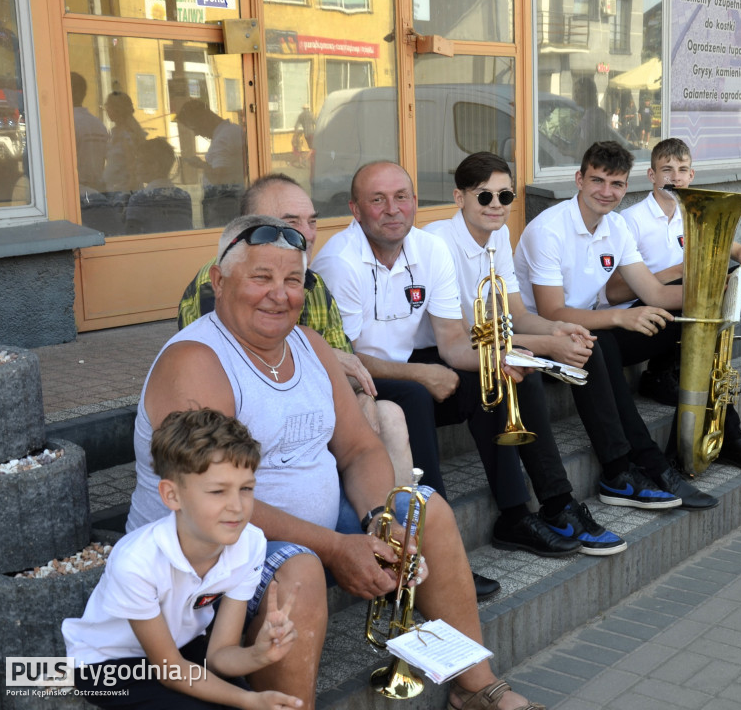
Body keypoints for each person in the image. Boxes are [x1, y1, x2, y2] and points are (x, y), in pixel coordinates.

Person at [127, 214, 546, 710]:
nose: (279, 294)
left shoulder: (310, 346)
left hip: (316, 531)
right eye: (260, 278)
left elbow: (360, 448)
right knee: (300, 570)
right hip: (211, 554)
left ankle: (473, 687)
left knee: (422, 509)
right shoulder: (198, 359)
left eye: (292, 280)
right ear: (219, 281)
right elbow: (216, 502)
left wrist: (376, 523)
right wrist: (334, 547)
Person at [311, 161, 586, 559]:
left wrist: (505, 357)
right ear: (355, 210)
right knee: (414, 395)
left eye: (401, 198)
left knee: (499, 377)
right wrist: (422, 373)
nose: (392, 209)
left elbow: (453, 343)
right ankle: (439, 546)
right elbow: (345, 360)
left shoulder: (428, 248)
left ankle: (515, 514)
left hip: (408, 361)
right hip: (354, 379)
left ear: (415, 203)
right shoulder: (340, 262)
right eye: (378, 200)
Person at [514, 141, 741, 485]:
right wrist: (619, 317)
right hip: (549, 338)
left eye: (617, 184)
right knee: (603, 346)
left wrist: (724, 292)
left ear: (627, 186)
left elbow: (653, 294)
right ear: (579, 179)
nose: (607, 192)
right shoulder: (548, 230)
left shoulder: (615, 226)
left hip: (593, 327)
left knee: (726, 299)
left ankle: (711, 436)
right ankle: (647, 464)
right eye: (598, 181)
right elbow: (552, 313)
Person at [422, 151, 627, 555]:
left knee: (583, 344)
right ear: (459, 197)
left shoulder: (498, 234)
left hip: (480, 344)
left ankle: (613, 474)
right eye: (484, 197)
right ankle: (555, 503)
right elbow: (459, 335)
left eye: (505, 196)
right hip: (440, 351)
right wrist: (543, 345)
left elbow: (514, 313)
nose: (496, 205)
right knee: (518, 374)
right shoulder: (436, 242)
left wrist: (558, 328)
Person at [177, 173, 413, 500]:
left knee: (390, 415)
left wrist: (361, 396)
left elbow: (351, 369)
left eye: (312, 221)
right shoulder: (217, 286)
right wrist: (329, 363)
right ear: (248, 227)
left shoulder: (313, 285)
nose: (307, 234)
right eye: (290, 222)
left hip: (311, 417)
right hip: (250, 441)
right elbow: (241, 379)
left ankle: (394, 522)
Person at [64, 408, 303, 709]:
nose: (237, 507)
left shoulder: (250, 543)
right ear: (172, 495)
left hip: (182, 649)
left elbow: (219, 654)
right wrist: (248, 699)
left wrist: (259, 654)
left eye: (246, 489)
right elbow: (169, 671)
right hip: (109, 665)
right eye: (217, 491)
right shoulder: (136, 561)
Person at [605, 138, 741, 406]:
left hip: (673, 312)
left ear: (691, 176)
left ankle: (680, 365)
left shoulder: (693, 214)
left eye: (682, 170)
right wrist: (673, 272)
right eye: (667, 170)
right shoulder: (630, 220)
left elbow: (735, 249)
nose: (674, 178)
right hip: (634, 320)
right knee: (693, 286)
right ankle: (661, 373)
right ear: (652, 175)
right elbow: (613, 293)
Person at [174, 99, 245, 227]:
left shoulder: (223, 139)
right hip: (232, 200)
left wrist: (200, 164)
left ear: (203, 118)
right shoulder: (233, 130)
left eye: (194, 127)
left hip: (222, 204)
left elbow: (219, 178)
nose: (196, 134)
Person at [125, 137, 194, 234]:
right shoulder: (184, 196)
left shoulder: (139, 199)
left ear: (155, 166)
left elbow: (131, 237)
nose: (134, 166)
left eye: (139, 161)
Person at [103, 91, 147, 195]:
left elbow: (132, 170)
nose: (106, 110)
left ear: (117, 109)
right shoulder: (115, 132)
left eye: (108, 106)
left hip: (123, 192)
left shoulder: (127, 135)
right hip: (114, 190)